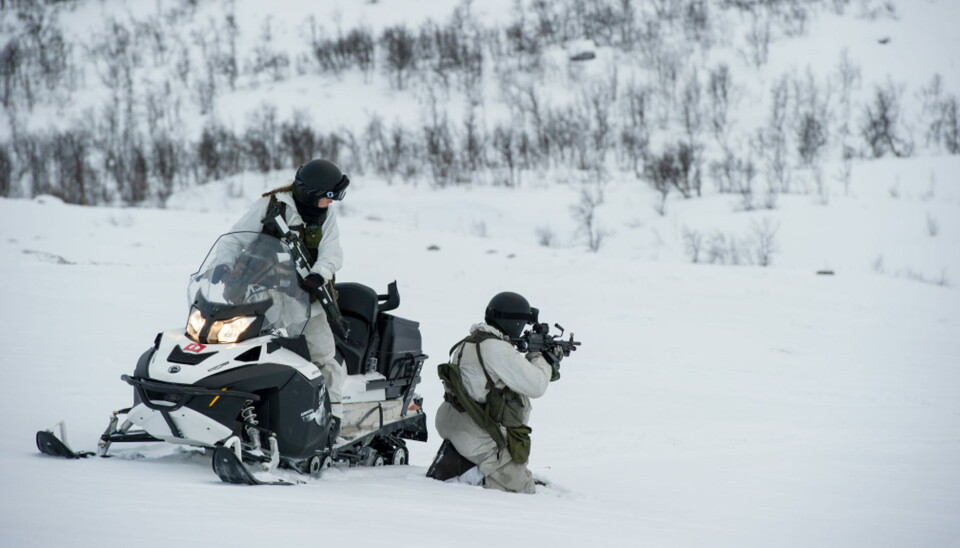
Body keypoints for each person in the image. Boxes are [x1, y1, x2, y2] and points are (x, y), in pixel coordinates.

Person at [226, 158, 349, 423]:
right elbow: (236, 238)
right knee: (247, 353)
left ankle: (332, 420)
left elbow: (332, 251)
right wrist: (223, 267)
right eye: (328, 197)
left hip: (305, 300)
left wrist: (319, 273)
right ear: (310, 193)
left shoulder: (326, 214)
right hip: (262, 298)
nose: (332, 203)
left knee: (323, 357)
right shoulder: (272, 206)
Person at [430, 291, 563, 494]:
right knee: (523, 489)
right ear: (515, 322)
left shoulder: (469, 342)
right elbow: (536, 386)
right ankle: (467, 473)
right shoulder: (497, 349)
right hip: (476, 435)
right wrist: (541, 357)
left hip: (455, 422)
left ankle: (463, 461)